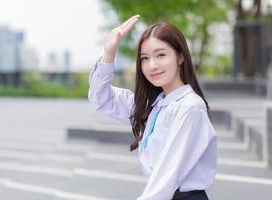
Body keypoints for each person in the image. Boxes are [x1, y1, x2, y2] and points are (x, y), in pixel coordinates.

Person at [88, 15, 217, 200]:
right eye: (145, 58)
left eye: (161, 55)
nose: (152, 65)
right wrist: (109, 53)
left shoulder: (189, 107)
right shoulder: (155, 105)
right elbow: (101, 99)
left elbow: (168, 173)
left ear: (180, 56)